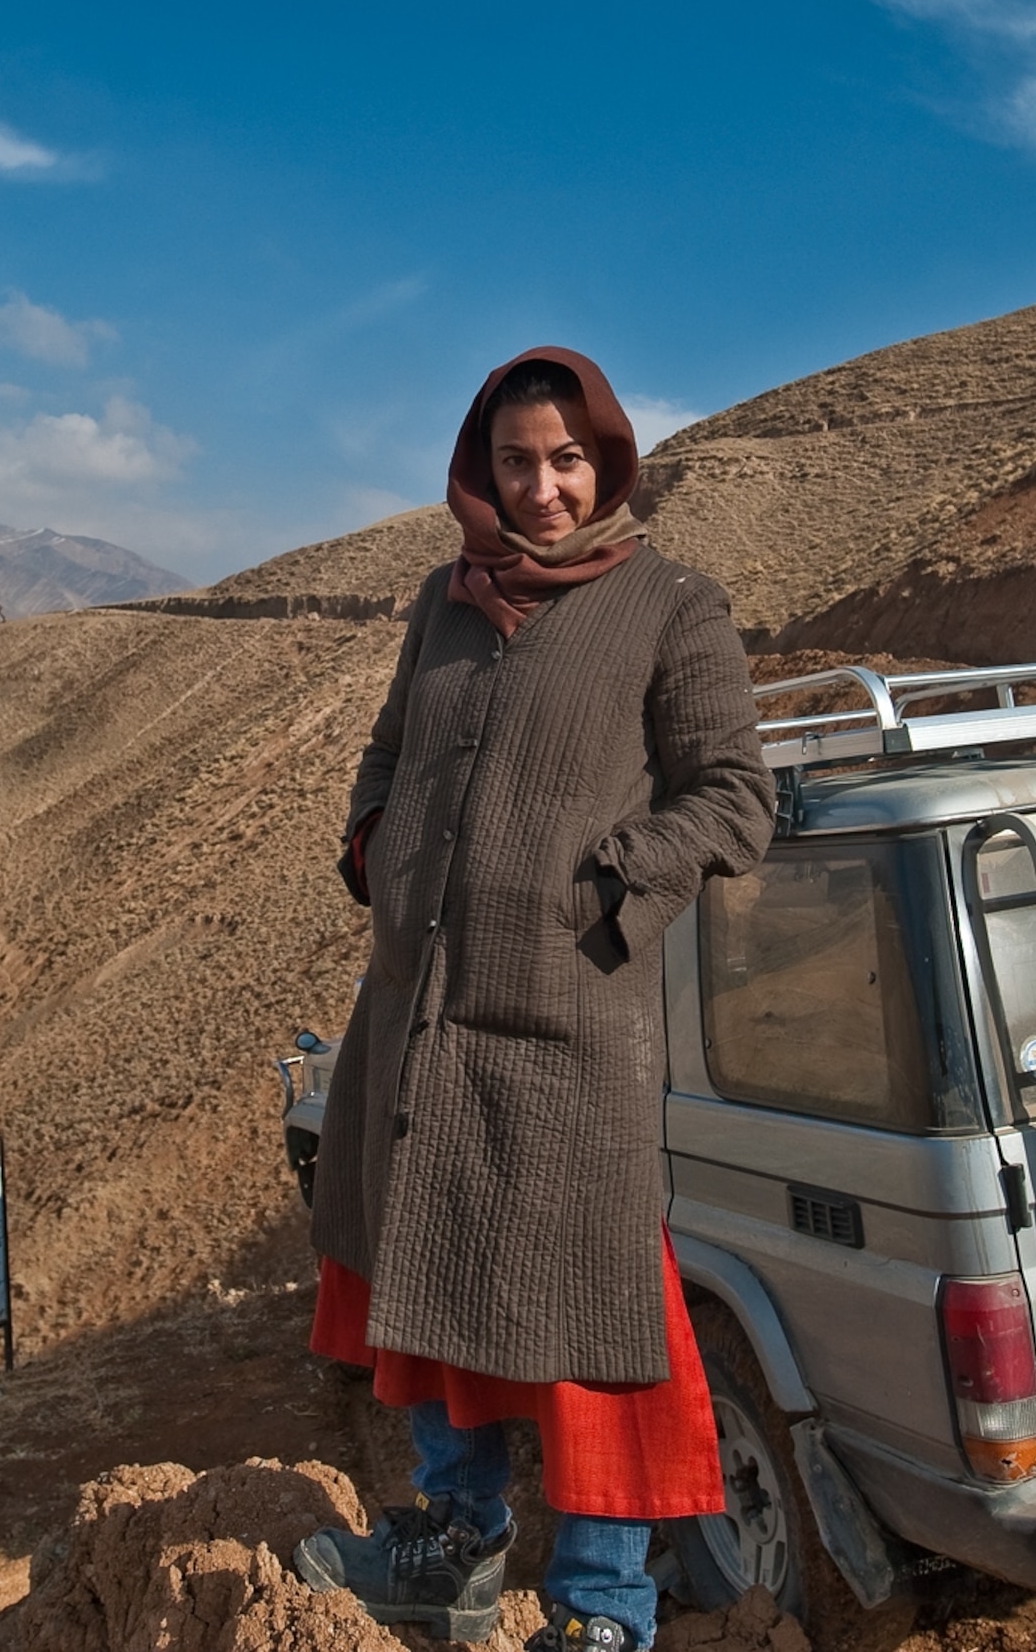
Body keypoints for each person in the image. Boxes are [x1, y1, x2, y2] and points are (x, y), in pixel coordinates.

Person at [296, 348, 775, 1652]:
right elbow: (388, 749)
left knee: (592, 1314)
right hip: (416, 1009)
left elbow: (736, 797)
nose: (542, 487)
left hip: (571, 1023)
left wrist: (604, 892)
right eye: (517, 461)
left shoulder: (673, 605)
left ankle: (602, 1605)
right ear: (483, 468)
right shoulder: (445, 601)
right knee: (419, 1256)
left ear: (604, 460)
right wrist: (379, 847)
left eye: (565, 460)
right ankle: (454, 1543)